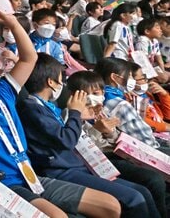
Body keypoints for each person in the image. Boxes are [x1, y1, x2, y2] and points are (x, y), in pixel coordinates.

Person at [0, 15, 116, 218]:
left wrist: (12, 23)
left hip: (30, 176)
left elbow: (29, 57)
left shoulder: (4, 92)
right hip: (1, 183)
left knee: (110, 206)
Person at [18, 54, 154, 217]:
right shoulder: (32, 108)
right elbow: (66, 140)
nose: (63, 85)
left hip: (78, 165)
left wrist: (82, 118)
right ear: (51, 82)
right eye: (61, 79)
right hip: (62, 171)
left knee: (142, 192)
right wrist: (75, 112)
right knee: (133, 198)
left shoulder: (48, 107)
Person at [66, 71, 169, 218]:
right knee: (152, 181)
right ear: (77, 95)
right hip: (98, 160)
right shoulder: (71, 115)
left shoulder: (100, 111)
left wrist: (110, 133)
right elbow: (80, 148)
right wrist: (96, 130)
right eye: (94, 92)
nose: (100, 96)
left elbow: (116, 139)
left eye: (101, 92)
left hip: (117, 152)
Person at [97, 58, 167, 150]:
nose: (132, 80)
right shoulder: (119, 103)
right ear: (114, 77)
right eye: (129, 75)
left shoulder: (104, 95)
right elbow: (146, 141)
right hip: (144, 149)